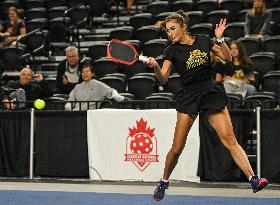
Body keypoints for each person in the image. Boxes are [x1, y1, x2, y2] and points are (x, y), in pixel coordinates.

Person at [145, 10, 268, 201]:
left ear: (184, 27)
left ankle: (253, 179)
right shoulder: (171, 50)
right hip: (188, 95)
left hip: (210, 92)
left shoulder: (203, 40)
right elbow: (164, 79)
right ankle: (164, 181)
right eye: (168, 30)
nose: (169, 33)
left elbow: (227, 58)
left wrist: (219, 39)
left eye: (173, 29)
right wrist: (156, 68)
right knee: (177, 148)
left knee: (230, 139)